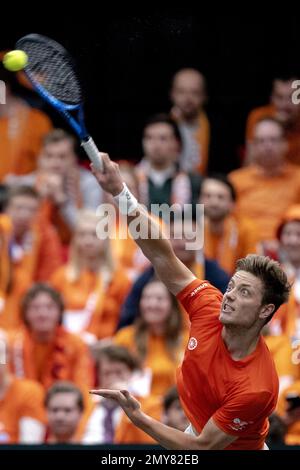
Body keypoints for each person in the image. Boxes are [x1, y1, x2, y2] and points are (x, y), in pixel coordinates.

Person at [90, 152, 290, 450]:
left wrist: (139, 418)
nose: (230, 296)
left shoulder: (256, 387)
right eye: (233, 287)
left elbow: (202, 448)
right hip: (194, 429)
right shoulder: (208, 304)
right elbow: (160, 253)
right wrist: (121, 193)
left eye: (244, 293)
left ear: (266, 310)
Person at [200, 174, 259, 274]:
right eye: (208, 196)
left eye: (221, 197)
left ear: (232, 204)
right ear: (200, 200)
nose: (214, 202)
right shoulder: (192, 229)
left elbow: (253, 270)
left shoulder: (246, 229)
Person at [246, 75, 300, 166]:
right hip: (263, 177)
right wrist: (275, 125)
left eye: (292, 98)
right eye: (279, 97)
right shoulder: (258, 117)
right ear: (271, 98)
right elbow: (251, 163)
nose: (285, 104)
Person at [170, 68, 210, 174]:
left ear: (204, 96)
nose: (188, 98)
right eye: (181, 92)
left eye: (195, 92)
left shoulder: (215, 128)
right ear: (172, 94)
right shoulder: (161, 125)